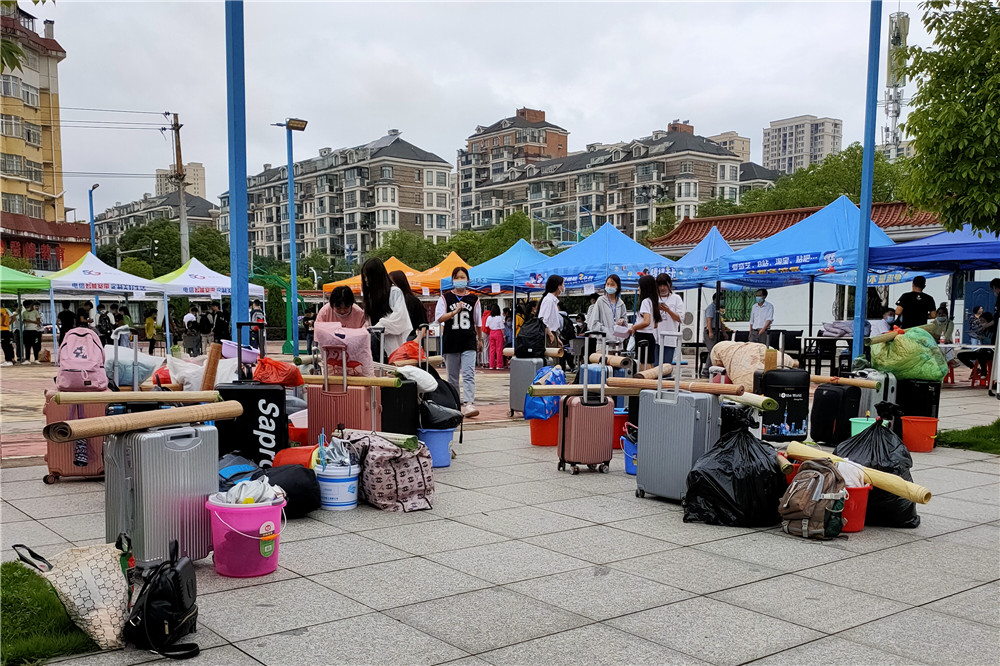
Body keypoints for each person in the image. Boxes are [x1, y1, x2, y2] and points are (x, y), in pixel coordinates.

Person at [435, 266, 481, 417]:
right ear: (452, 280)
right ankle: (455, 403)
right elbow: (439, 318)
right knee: (452, 377)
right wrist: (454, 312)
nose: (460, 280)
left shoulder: (474, 299)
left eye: (463, 277)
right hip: (451, 340)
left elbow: (478, 322)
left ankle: (469, 403)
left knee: (468, 373)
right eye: (457, 277)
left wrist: (480, 339)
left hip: (468, 340)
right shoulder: (445, 298)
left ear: (467, 280)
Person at [360, 257, 412, 360]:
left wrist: (379, 327)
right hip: (374, 347)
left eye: (367, 276)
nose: (366, 280)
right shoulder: (370, 296)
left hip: (391, 347)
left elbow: (400, 318)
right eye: (364, 277)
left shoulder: (394, 292)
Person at [586, 274, 628, 357]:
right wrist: (606, 332)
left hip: (617, 344)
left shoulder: (621, 303)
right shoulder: (600, 301)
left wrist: (622, 321)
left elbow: (625, 321)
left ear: (617, 287)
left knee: (616, 364)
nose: (609, 286)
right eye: (607, 284)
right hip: (603, 343)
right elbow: (593, 323)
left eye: (612, 284)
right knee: (604, 364)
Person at [628, 275, 661, 367]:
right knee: (650, 363)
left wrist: (634, 327)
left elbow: (647, 321)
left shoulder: (645, 301)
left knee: (643, 364)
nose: (638, 288)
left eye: (640, 286)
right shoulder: (653, 301)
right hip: (650, 336)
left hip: (642, 336)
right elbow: (655, 324)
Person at [389, 270, 428, 342]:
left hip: (409, 339)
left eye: (392, 284)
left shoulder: (413, 301)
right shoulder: (389, 301)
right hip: (392, 339)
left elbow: (423, 324)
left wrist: (417, 340)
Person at [537, 275, 565, 347]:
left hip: (552, 334)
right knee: (550, 354)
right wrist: (550, 334)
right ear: (559, 286)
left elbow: (552, 323)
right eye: (563, 284)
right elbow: (542, 320)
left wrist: (557, 338)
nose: (563, 287)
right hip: (548, 335)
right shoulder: (548, 300)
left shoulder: (552, 300)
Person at [485, 304, 505, 370]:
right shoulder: (499, 318)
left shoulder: (489, 317)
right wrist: (504, 336)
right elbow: (502, 328)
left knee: (491, 350)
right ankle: (499, 365)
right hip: (498, 333)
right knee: (499, 350)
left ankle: (491, 365)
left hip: (491, 333)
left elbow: (487, 326)